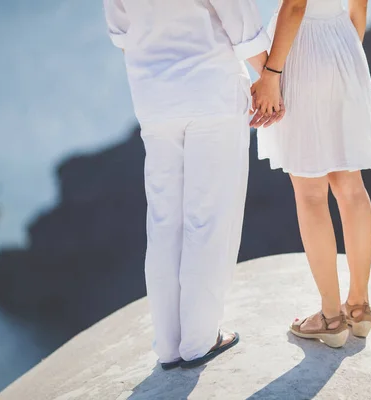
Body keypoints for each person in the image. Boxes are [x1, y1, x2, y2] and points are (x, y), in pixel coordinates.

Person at [103, 0, 277, 369]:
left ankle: (167, 345)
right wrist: (272, 80)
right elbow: (242, 25)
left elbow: (121, 34)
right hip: (211, 92)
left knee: (165, 222)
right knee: (209, 218)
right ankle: (199, 340)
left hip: (154, 100)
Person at [251, 0, 371, 347]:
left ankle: (330, 317)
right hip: (343, 41)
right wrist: (342, 51)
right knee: (351, 187)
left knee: (311, 193)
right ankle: (358, 307)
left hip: (302, 47)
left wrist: (271, 74)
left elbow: (295, 5)